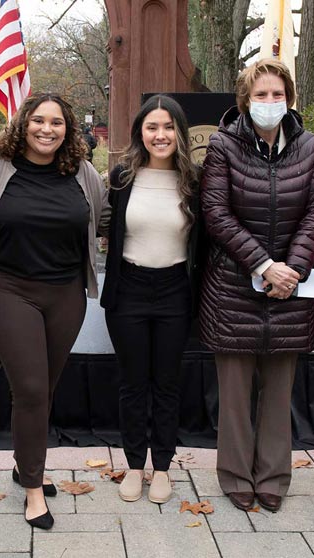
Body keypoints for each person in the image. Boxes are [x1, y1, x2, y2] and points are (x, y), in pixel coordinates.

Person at [0, 93, 109, 529]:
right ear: (23, 124)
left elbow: (106, 219)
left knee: (45, 387)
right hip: (8, 290)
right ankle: (33, 487)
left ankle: (22, 463)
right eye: (38, 121)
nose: (47, 129)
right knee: (31, 388)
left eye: (57, 123)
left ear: (68, 129)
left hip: (65, 293)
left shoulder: (83, 173)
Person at [199, 58, 314, 513]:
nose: (270, 103)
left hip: (290, 288)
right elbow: (216, 212)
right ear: (244, 101)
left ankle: (273, 475)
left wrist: (290, 268)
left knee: (279, 390)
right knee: (234, 393)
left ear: (288, 98)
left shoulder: (309, 147)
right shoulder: (222, 146)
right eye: (260, 95)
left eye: (277, 95)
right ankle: (235, 474)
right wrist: (262, 264)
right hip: (234, 286)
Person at [100, 95, 200, 504]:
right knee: (132, 384)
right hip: (130, 291)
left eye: (168, 126)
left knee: (167, 383)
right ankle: (134, 465)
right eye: (152, 127)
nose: (161, 135)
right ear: (140, 132)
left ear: (180, 131)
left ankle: (162, 467)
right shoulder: (122, 177)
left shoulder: (194, 180)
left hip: (176, 290)